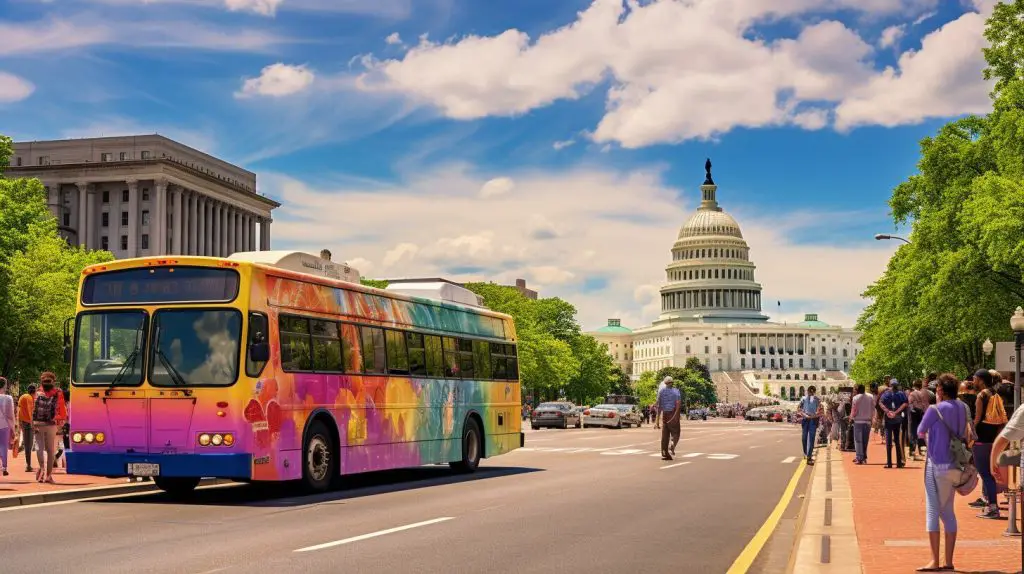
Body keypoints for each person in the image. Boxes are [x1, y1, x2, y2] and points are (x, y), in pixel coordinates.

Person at [915, 373, 968, 572]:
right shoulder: (963, 408)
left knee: (932, 511)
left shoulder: (934, 409)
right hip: (955, 465)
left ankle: (935, 560)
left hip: (936, 464)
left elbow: (920, 431)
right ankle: (949, 561)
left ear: (940, 391)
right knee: (948, 511)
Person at [972, 369, 1007, 519]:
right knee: (989, 472)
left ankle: (993, 507)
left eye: (974, 378)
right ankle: (990, 505)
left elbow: (977, 418)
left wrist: (970, 433)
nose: (973, 381)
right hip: (992, 437)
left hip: (981, 438)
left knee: (985, 474)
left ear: (980, 380)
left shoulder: (981, 395)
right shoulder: (995, 394)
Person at [32, 372, 67, 484]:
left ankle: (41, 469)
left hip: (37, 423)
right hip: (51, 424)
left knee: (39, 447)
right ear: (53, 380)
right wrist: (62, 421)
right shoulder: (58, 392)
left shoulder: (37, 392)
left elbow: (32, 409)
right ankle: (48, 475)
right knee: (51, 449)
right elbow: (62, 409)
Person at [880, 379, 909, 468]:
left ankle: (889, 463)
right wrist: (896, 412)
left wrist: (888, 411)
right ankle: (898, 463)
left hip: (889, 419)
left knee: (889, 441)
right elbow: (905, 403)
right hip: (897, 419)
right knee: (897, 441)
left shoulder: (886, 393)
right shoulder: (901, 393)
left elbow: (880, 402)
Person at [656, 377, 681, 461]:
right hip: (673, 414)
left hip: (665, 415)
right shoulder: (676, 391)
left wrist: (657, 421)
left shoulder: (661, 392)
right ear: (672, 383)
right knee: (676, 433)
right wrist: (676, 415)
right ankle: (672, 445)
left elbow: (659, 407)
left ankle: (664, 453)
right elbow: (678, 405)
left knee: (665, 436)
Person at [850, 383, 875, 464]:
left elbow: (854, 410)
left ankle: (859, 457)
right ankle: (864, 457)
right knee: (865, 440)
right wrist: (872, 418)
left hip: (858, 421)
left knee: (858, 440)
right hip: (867, 421)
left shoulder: (855, 398)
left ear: (857, 390)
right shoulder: (871, 396)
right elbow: (873, 408)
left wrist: (851, 417)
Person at [799, 386, 822, 465]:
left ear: (814, 392)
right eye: (809, 391)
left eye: (812, 392)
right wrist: (804, 415)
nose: (811, 393)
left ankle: (809, 456)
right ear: (807, 391)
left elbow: (821, 410)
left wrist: (815, 415)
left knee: (811, 438)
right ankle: (805, 453)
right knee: (804, 438)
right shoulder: (803, 399)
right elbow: (799, 409)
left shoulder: (817, 400)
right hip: (805, 419)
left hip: (813, 419)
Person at [909, 380, 931, 461]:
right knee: (921, 431)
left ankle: (912, 451)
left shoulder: (912, 393)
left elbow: (910, 403)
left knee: (913, 432)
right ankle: (921, 449)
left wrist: (911, 410)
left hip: (914, 414)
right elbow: (926, 404)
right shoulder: (923, 394)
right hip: (922, 413)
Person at [17, 384, 35, 472]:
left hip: (23, 423)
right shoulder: (30, 398)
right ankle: (28, 465)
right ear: (34, 392)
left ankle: (28, 464)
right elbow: (29, 411)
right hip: (28, 423)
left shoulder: (22, 396)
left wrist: (19, 422)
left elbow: (19, 410)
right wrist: (32, 424)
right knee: (29, 445)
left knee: (27, 444)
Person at [0, 377, 14, 476]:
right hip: (4, 424)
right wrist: (13, 427)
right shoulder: (8, 398)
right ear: (4, 385)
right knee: (3, 446)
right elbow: (10, 414)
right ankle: (4, 467)